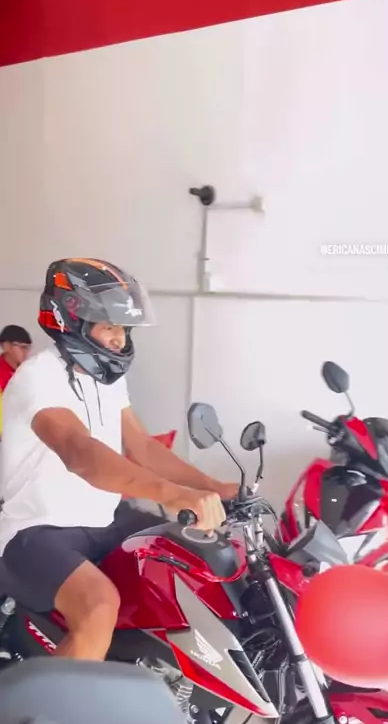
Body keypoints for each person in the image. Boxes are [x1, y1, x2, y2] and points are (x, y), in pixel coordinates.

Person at [0, 259, 238, 661]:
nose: (119, 338)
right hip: (35, 530)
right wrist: (171, 493)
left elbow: (142, 447)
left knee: (186, 558)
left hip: (104, 520)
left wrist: (215, 487)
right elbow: (80, 453)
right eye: (109, 327)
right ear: (72, 321)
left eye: (124, 329)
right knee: (98, 606)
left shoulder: (107, 380)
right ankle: (58, 702)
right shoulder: (38, 377)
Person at [0, 324, 32, 438]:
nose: (26, 353)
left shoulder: (26, 372)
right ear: (6, 346)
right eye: (22, 347)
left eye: (28, 348)